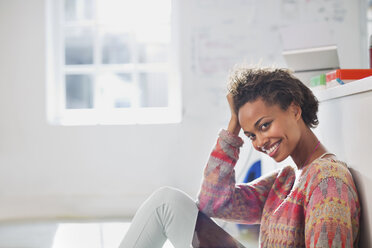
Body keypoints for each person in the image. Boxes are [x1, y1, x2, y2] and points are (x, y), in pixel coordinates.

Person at [119, 67, 360, 248]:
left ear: (295, 110)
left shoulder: (328, 180)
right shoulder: (286, 179)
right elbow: (212, 203)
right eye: (251, 135)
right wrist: (233, 126)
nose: (259, 142)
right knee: (167, 202)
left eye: (265, 125)